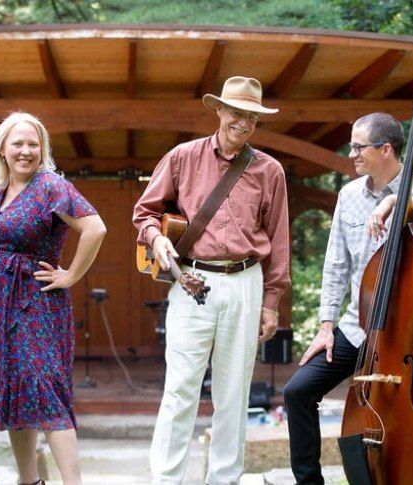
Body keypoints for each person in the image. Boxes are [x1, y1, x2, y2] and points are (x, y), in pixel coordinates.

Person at [282, 112, 413, 484]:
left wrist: (398, 200)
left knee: (402, 411)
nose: (351, 154)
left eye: (358, 146)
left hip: (406, 333)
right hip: (358, 325)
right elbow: (335, 263)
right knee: (297, 392)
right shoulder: (349, 195)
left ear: (385, 149)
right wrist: (326, 325)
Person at [132, 76, 290, 484]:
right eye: (237, 112)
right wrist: (157, 241)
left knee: (233, 395)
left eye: (252, 116)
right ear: (218, 110)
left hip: (245, 282)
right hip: (190, 280)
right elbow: (144, 212)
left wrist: (271, 302)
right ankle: (167, 480)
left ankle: (225, 480)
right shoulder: (183, 157)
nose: (244, 122)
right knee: (180, 390)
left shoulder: (270, 171)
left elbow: (278, 240)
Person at [0, 112, 107, 485]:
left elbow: (95, 227)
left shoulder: (50, 186)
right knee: (15, 391)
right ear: (3, 149)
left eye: (33, 144)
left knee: (45, 390)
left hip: (35, 303)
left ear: (42, 149)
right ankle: (27, 480)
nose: (26, 151)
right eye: (18, 143)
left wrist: (71, 275)